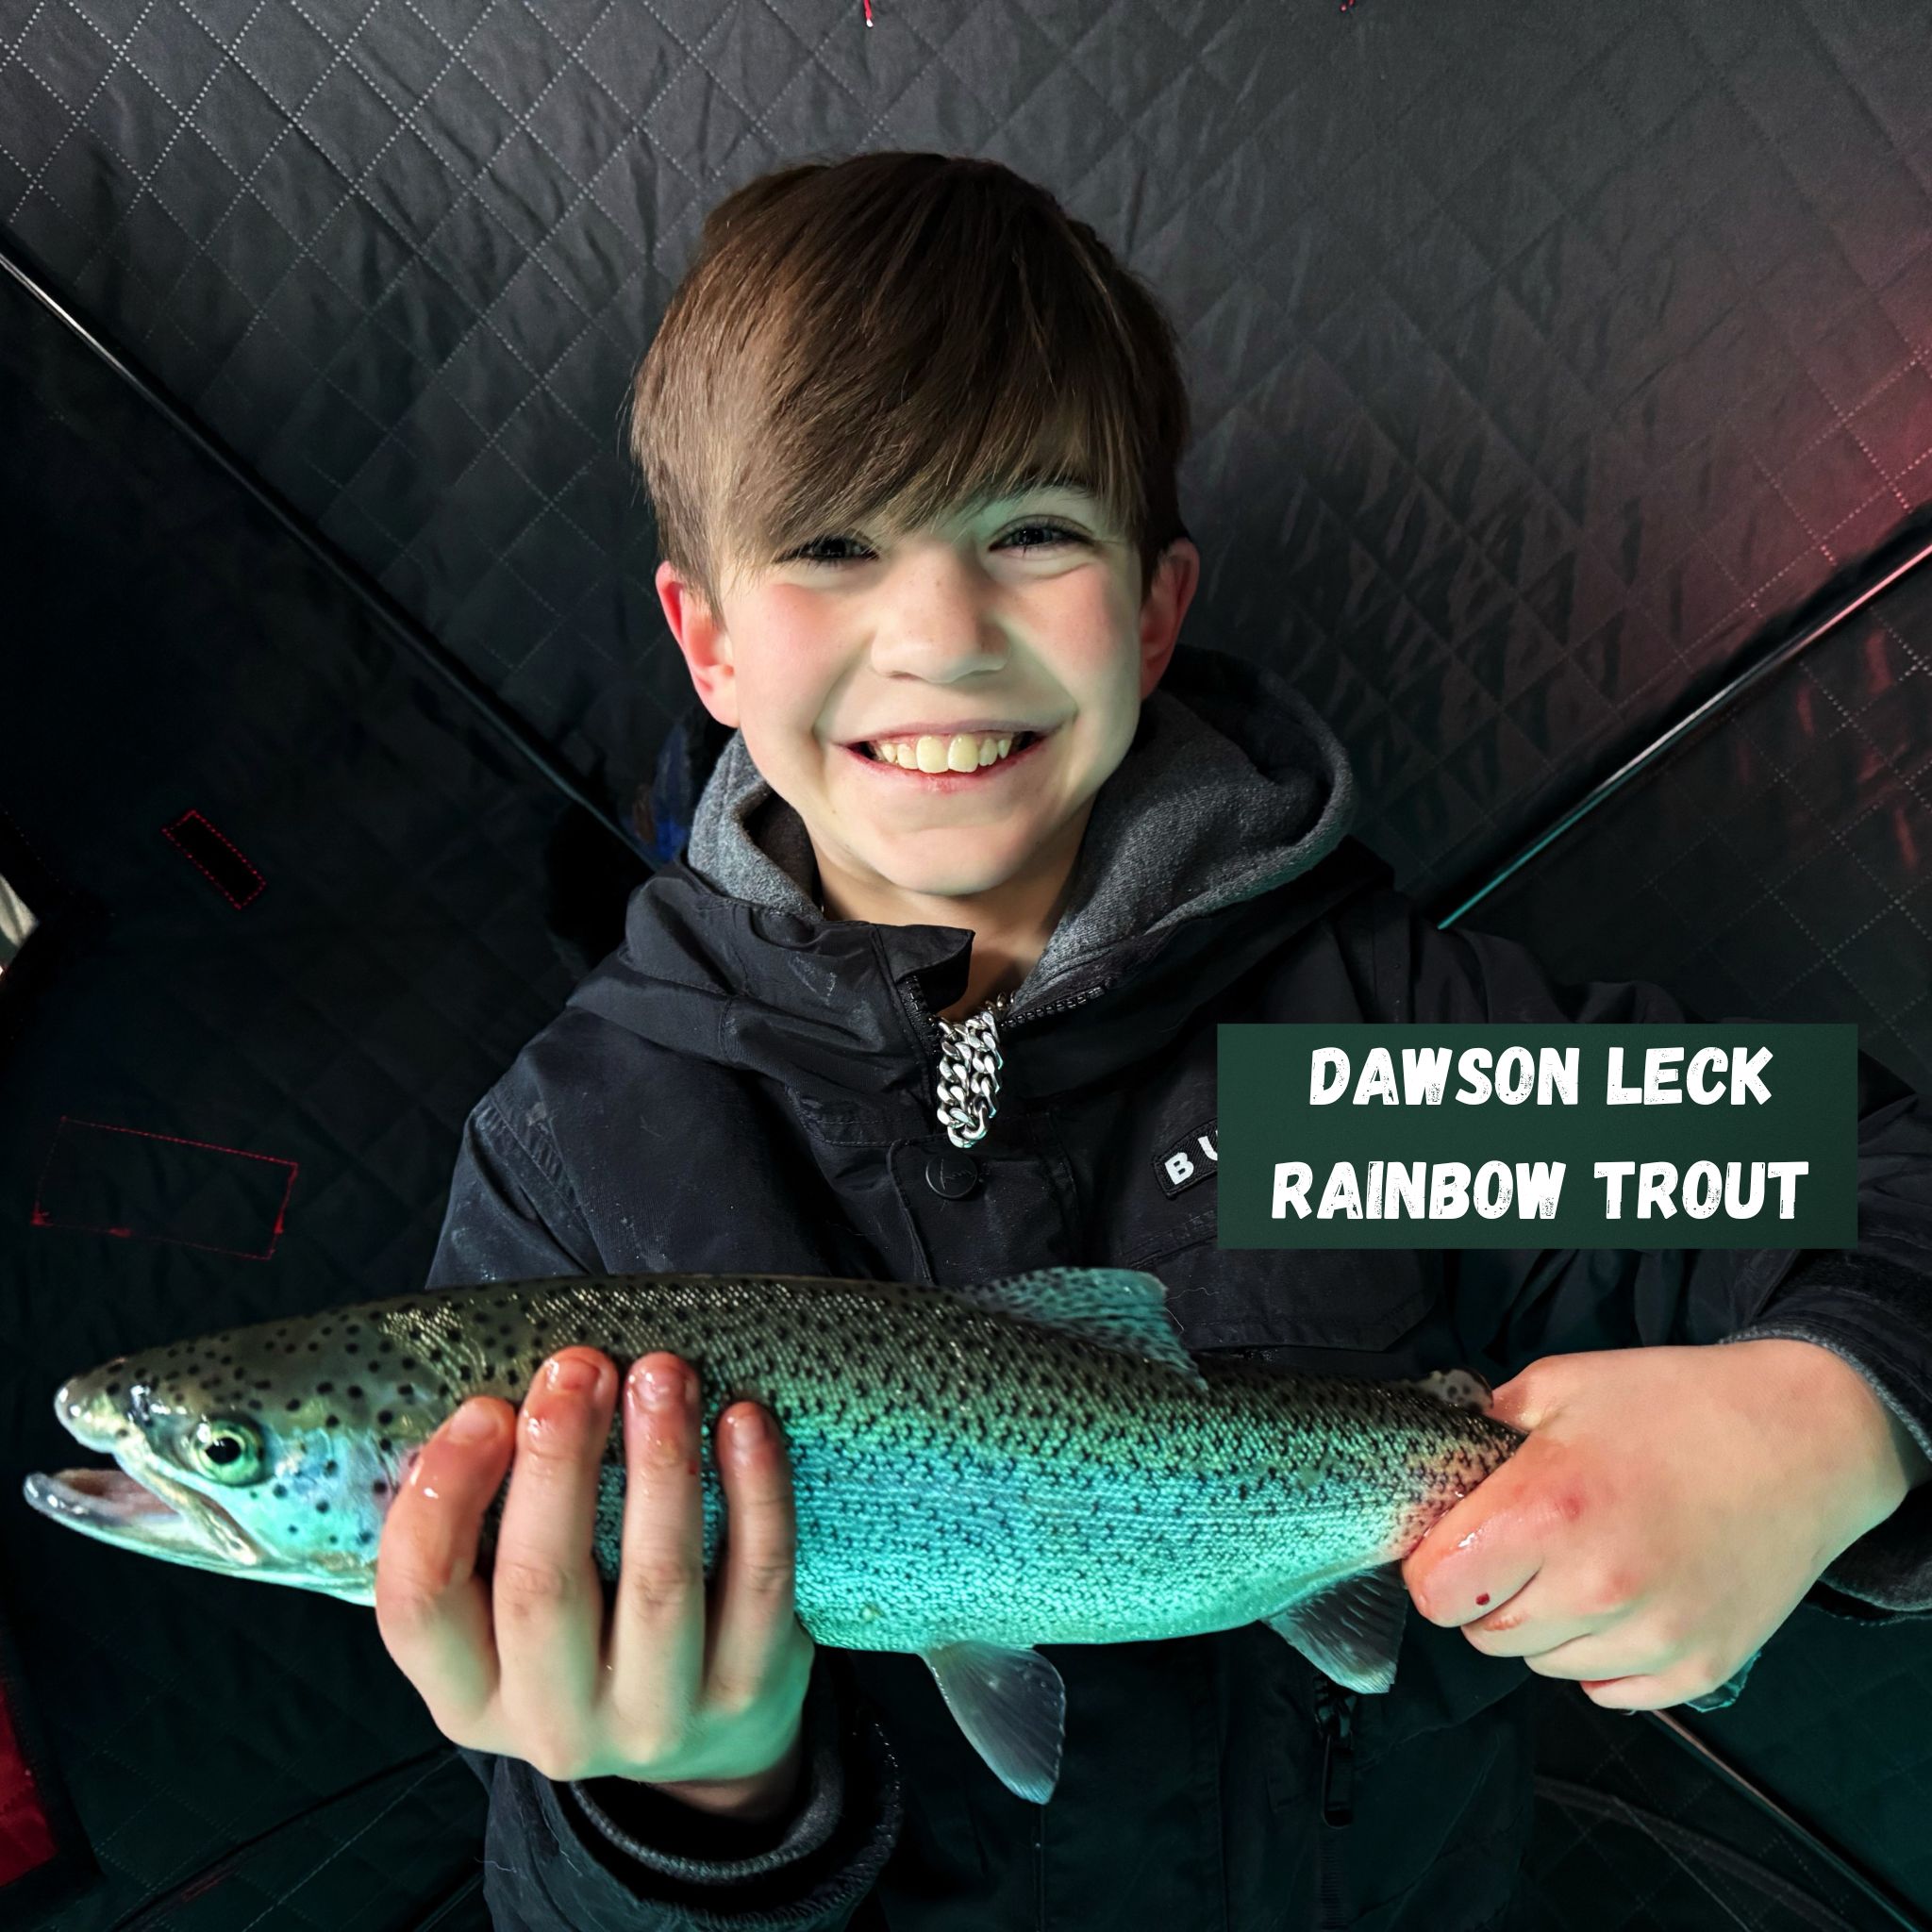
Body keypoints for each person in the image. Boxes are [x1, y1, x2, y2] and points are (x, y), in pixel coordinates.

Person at [373, 151, 1932, 1930]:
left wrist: (1825, 1427)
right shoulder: (585, 1161)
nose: (939, 636)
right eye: (833, 546)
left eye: (1031, 532)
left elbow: (1882, 1180)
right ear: (706, 639)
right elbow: (548, 1889)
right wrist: (689, 1802)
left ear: (1156, 607)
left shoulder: (1374, 1079)